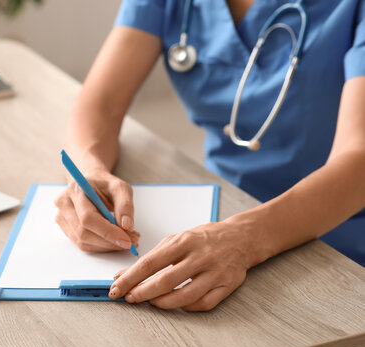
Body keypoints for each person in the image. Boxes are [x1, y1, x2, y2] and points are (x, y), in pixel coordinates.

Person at [54, 0, 365, 311]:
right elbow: (101, 103)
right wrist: (90, 172)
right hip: (220, 212)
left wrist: (245, 239)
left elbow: (358, 158)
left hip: (338, 242)